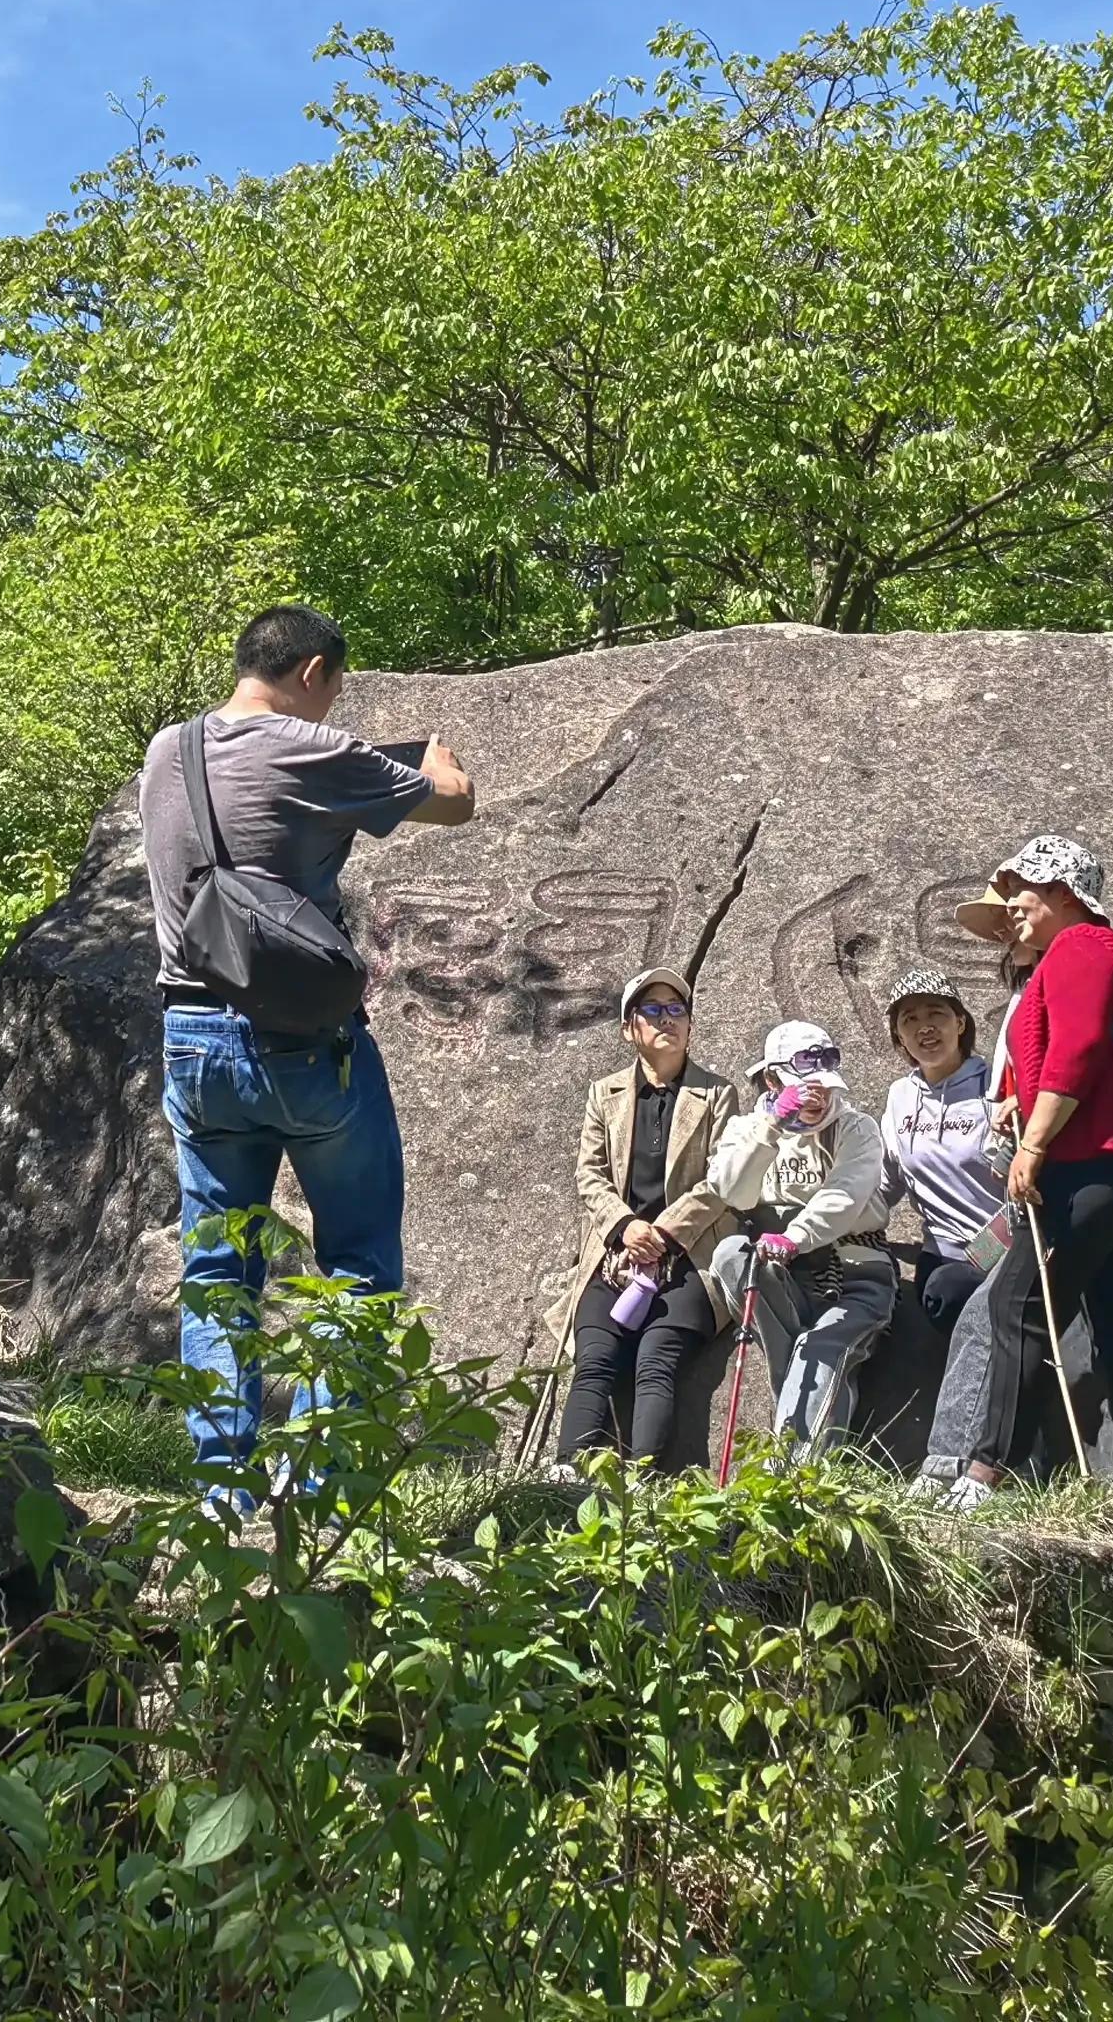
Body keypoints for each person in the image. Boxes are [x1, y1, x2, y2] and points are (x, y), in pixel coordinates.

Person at [139, 604, 476, 1485]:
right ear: (315, 671)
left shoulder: (167, 752)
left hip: (190, 1038)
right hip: (306, 1048)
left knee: (217, 1266)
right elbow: (456, 805)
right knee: (357, 1260)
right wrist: (434, 761)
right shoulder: (315, 747)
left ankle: (221, 1487)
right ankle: (318, 1493)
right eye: (333, 688)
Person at [917, 836, 1113, 1503]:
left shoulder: (1081, 947)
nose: (1012, 909)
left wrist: (1034, 1146)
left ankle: (983, 1474)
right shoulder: (1100, 953)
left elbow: (1080, 1049)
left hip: (1093, 1163)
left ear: (1063, 892)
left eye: (1021, 893)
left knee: (1018, 1307)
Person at [554, 967, 743, 1469]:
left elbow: (723, 1180)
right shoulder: (605, 1093)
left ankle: (643, 1482)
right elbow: (589, 1175)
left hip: (688, 1257)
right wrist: (626, 1226)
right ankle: (564, 1475)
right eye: (653, 1011)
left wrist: (663, 1232)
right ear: (629, 1028)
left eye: (677, 1010)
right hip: (617, 1255)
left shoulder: (717, 1094)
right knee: (593, 1359)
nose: (668, 1020)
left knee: (656, 1360)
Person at [700, 1017, 894, 1456]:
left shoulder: (856, 1128)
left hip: (853, 1270)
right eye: (805, 1084)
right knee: (731, 1252)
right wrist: (771, 1127)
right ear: (772, 1078)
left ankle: (793, 1472)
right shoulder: (745, 1129)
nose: (817, 1095)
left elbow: (845, 1194)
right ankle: (806, 1446)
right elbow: (732, 1191)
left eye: (825, 1085)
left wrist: (796, 1235)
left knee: (819, 1345)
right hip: (782, 1276)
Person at [874, 967, 1008, 1424]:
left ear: (961, 1022)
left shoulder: (994, 1085)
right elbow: (888, 1180)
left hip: (1009, 1242)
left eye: (937, 1014)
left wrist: (985, 1254)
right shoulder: (899, 1097)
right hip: (941, 1253)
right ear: (898, 1036)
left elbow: (1033, 1182)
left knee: (961, 1293)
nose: (924, 1027)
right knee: (943, 1294)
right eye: (909, 1020)